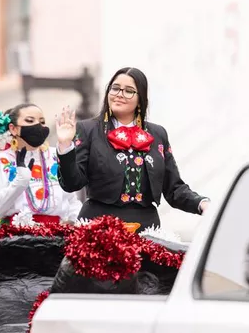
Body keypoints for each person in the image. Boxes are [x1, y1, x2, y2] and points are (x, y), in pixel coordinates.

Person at [56, 67, 209, 231]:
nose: (119, 94)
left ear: (140, 99)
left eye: (129, 91)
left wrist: (202, 204)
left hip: (145, 229)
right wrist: (65, 146)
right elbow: (72, 183)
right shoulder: (88, 129)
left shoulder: (158, 134)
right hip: (98, 228)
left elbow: (174, 189)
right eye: (115, 88)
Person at [0, 105, 82, 226]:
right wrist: (19, 183)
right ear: (13, 128)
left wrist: (75, 223)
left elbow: (72, 201)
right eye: (30, 120)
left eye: (42, 122)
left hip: (58, 233)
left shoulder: (56, 156)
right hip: (14, 234)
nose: (38, 125)